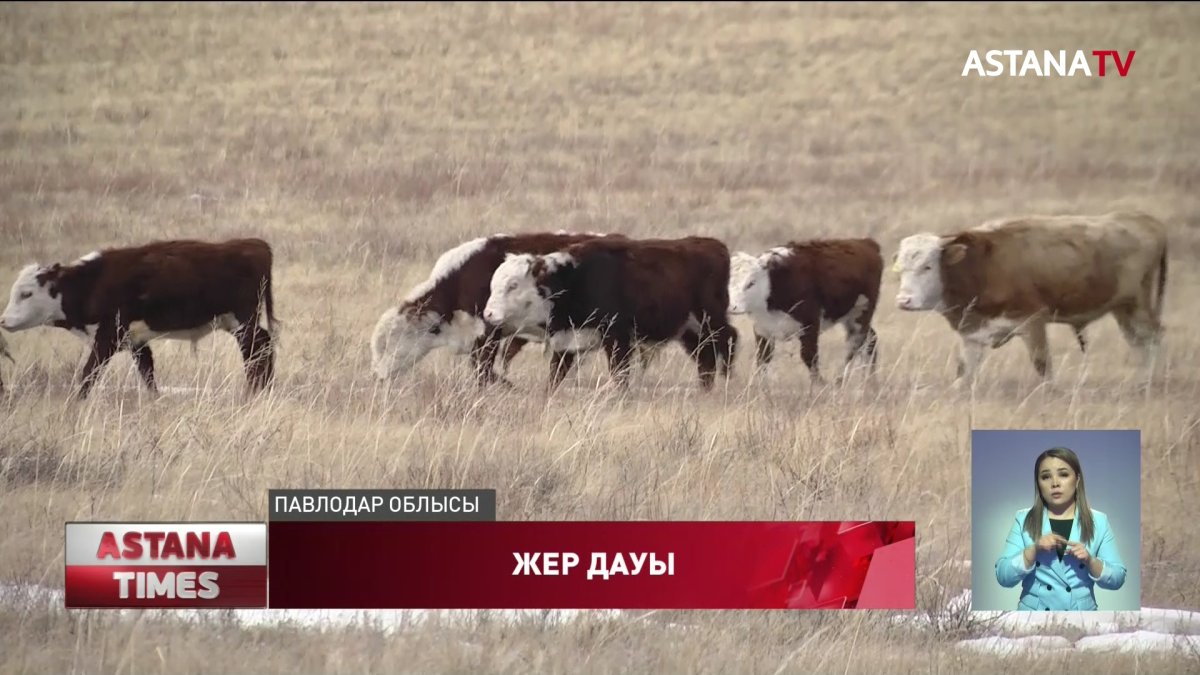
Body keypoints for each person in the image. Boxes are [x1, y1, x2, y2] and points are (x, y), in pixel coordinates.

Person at [994, 447, 1127, 610]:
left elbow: (1118, 578)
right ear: (1038, 483)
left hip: (1081, 617)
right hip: (1032, 617)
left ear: (1077, 479)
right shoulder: (1024, 519)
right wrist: (1034, 550)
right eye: (1045, 477)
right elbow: (1003, 576)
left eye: (1063, 475)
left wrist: (1090, 561)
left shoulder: (1099, 521)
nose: (1055, 483)